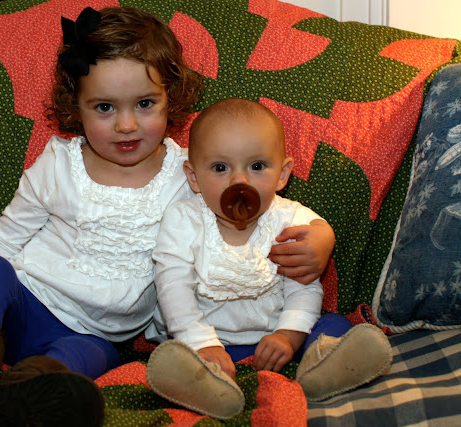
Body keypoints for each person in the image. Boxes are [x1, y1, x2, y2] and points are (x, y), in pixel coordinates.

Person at [0, 7, 337, 427]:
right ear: (77, 107)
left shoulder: (191, 173)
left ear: (171, 98)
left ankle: (20, 397)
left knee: (90, 358)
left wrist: (322, 238)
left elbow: (262, 218)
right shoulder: (57, 167)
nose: (126, 125)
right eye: (105, 107)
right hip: (23, 304)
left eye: (144, 104)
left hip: (97, 335)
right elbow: (2, 238)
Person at [145, 98, 392, 419]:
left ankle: (323, 368)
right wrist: (201, 342)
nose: (239, 182)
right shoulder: (183, 220)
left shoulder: (290, 220)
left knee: (334, 325)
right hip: (206, 341)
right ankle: (205, 384)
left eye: (257, 167)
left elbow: (304, 286)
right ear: (193, 177)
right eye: (220, 168)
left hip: (276, 338)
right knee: (175, 354)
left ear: (282, 174)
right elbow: (172, 287)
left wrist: (288, 336)